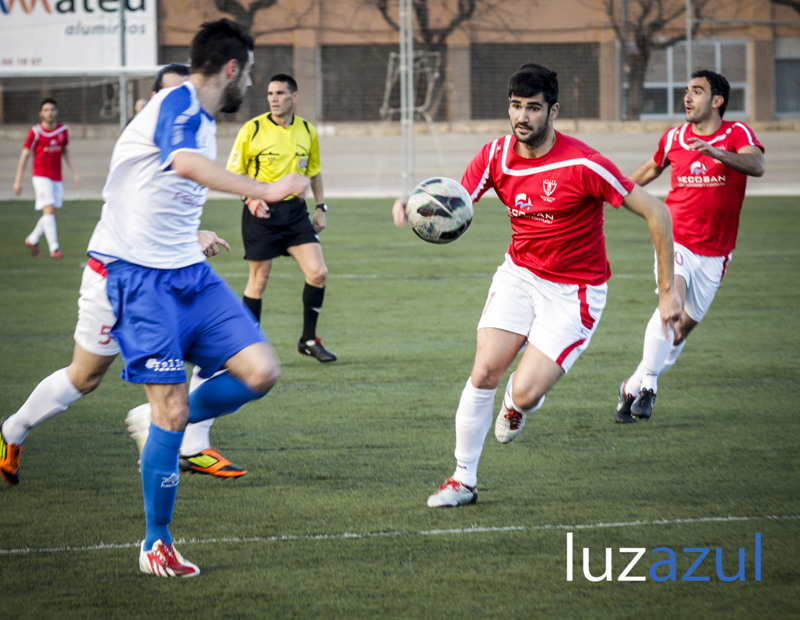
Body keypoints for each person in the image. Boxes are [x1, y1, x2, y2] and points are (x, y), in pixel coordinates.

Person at [393, 64, 681, 508]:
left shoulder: (583, 164)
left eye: (532, 108)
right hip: (520, 275)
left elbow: (657, 213)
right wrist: (417, 205)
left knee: (524, 392)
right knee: (485, 370)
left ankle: (517, 402)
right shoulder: (495, 157)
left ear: (553, 111)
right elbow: (457, 203)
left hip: (575, 292)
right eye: (515, 106)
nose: (522, 117)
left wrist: (667, 292)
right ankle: (463, 480)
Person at [91, 19, 308, 576]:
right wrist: (265, 188)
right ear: (232, 69)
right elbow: (184, 164)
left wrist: (205, 226)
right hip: (138, 279)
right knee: (173, 409)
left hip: (187, 272)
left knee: (261, 371)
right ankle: (154, 543)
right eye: (251, 72)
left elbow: (170, 186)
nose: (254, 83)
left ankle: (157, 419)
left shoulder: (204, 120)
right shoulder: (178, 103)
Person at [0, 71, 243, 488]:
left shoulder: (192, 131)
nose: (181, 100)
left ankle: (187, 440)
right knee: (85, 377)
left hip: (160, 284)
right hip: (115, 280)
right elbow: (138, 219)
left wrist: (192, 236)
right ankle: (12, 432)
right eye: (170, 92)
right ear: (151, 101)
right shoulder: (146, 140)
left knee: (221, 355)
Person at [615, 70, 765, 423]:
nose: (687, 97)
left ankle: (630, 386)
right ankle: (649, 386)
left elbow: (757, 165)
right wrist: (614, 190)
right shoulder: (674, 137)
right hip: (675, 239)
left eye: (697, 91)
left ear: (717, 101)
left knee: (680, 329)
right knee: (672, 302)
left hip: (717, 254)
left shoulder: (736, 133)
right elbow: (652, 168)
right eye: (686, 91)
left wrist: (717, 152)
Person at [226, 74, 337, 363]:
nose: (273, 99)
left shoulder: (306, 131)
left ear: (294, 97)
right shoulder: (252, 129)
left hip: (295, 213)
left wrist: (321, 207)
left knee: (318, 272)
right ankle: (249, 350)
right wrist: (250, 199)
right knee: (258, 281)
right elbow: (233, 173)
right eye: (270, 93)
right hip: (261, 213)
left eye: (280, 93)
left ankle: (309, 340)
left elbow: (313, 171)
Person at [13, 98, 81, 259]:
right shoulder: (35, 132)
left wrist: (75, 173)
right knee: (49, 209)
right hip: (41, 175)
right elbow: (25, 155)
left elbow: (66, 151)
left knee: (53, 214)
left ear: (56, 111)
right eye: (46, 109)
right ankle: (54, 248)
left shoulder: (63, 130)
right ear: (41, 113)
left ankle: (32, 239)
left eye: (52, 109)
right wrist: (18, 180)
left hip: (57, 176)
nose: (49, 112)